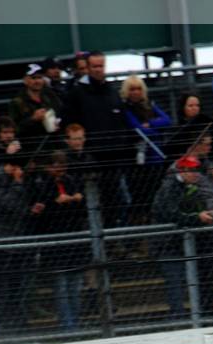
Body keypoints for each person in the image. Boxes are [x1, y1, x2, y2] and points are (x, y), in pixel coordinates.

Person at [150, 156, 213, 318]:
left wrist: (209, 212)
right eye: (193, 171)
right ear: (183, 171)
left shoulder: (190, 186)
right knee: (175, 281)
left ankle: (202, 314)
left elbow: (206, 203)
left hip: (183, 241)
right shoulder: (170, 187)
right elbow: (171, 214)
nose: (196, 174)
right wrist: (197, 218)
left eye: (197, 170)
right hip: (167, 243)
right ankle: (178, 318)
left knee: (197, 277)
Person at [65, 51, 131, 229]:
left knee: (118, 199)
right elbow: (70, 122)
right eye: (94, 66)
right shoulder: (77, 93)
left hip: (114, 156)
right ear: (87, 68)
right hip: (92, 158)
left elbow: (121, 120)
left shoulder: (111, 91)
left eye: (101, 66)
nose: (98, 69)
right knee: (97, 200)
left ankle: (117, 234)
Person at [29, 150, 88, 332]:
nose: (60, 171)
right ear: (48, 167)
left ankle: (75, 322)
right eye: (56, 167)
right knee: (61, 287)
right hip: (55, 242)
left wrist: (76, 199)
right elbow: (39, 212)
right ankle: (67, 325)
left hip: (74, 240)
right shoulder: (40, 183)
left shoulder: (70, 181)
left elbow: (82, 207)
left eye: (63, 167)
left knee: (75, 286)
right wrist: (55, 203)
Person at [0, 157, 36, 332]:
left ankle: (18, 322)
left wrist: (30, 210)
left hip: (16, 238)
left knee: (17, 285)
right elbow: (7, 203)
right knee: (2, 285)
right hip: (0, 240)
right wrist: (17, 184)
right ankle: (1, 324)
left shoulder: (16, 179)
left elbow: (20, 206)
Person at [120, 75, 172, 223]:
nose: (136, 92)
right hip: (138, 162)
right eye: (132, 89)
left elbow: (167, 120)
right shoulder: (126, 109)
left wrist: (150, 124)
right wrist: (154, 127)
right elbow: (138, 129)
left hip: (156, 158)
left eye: (138, 89)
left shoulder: (150, 105)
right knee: (140, 198)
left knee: (157, 195)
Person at [8, 63, 64, 147]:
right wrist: (33, 119)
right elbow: (14, 129)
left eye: (40, 77)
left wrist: (58, 122)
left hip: (53, 144)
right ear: (25, 80)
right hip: (30, 147)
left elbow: (62, 113)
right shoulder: (17, 102)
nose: (37, 81)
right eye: (33, 78)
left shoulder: (50, 96)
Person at [165, 92, 213, 161]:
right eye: (190, 106)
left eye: (197, 105)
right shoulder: (176, 129)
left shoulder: (206, 125)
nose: (195, 108)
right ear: (183, 108)